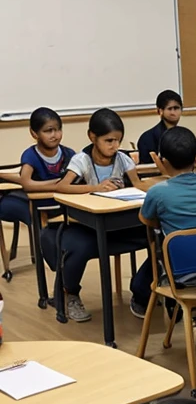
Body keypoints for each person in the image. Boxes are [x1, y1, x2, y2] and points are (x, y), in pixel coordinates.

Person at [54, 109, 148, 323]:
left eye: (118, 140)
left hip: (119, 221)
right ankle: (71, 293)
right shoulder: (82, 160)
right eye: (109, 140)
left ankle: (143, 290)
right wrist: (95, 187)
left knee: (156, 236)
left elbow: (138, 183)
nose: (114, 146)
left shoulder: (123, 159)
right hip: (87, 224)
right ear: (92, 137)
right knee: (79, 248)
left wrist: (159, 190)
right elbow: (62, 187)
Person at [130, 127, 196, 318]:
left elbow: (146, 220)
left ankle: (141, 293)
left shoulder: (157, 192)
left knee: (160, 243)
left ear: (163, 161)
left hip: (181, 277)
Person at [0, 108, 76, 262]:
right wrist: (57, 185)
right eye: (48, 131)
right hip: (39, 205)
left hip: (64, 204)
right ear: (34, 133)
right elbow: (27, 184)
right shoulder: (30, 155)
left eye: (58, 129)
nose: (54, 135)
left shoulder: (69, 154)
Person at [136, 90, 183, 164]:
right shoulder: (146, 138)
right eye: (169, 109)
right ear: (160, 111)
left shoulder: (184, 135)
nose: (173, 113)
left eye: (176, 108)